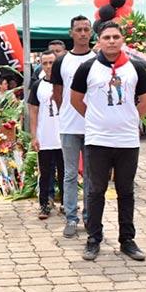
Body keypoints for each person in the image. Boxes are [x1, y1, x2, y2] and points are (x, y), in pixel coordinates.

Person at [70, 21, 146, 261]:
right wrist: (97, 120)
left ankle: (127, 240)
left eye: (116, 36)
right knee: (96, 190)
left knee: (126, 191)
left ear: (122, 40)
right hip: (98, 140)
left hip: (127, 140)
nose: (111, 41)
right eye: (106, 37)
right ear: (99, 41)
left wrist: (127, 119)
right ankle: (93, 238)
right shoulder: (87, 68)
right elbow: (76, 100)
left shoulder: (136, 68)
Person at [50, 15, 96, 238]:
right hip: (69, 125)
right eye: (78, 29)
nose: (83, 33)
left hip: (94, 126)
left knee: (91, 175)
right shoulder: (62, 61)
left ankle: (90, 217)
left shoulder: (99, 58)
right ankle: (71, 217)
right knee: (69, 174)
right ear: (71, 33)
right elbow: (57, 93)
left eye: (86, 29)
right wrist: (65, 112)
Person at [28, 50, 63, 220]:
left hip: (64, 136)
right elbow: (33, 112)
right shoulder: (37, 86)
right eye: (45, 63)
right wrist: (34, 136)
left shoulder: (65, 84)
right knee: (46, 173)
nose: (49, 66)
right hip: (46, 137)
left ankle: (66, 202)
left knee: (66, 172)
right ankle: (45, 203)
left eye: (52, 63)